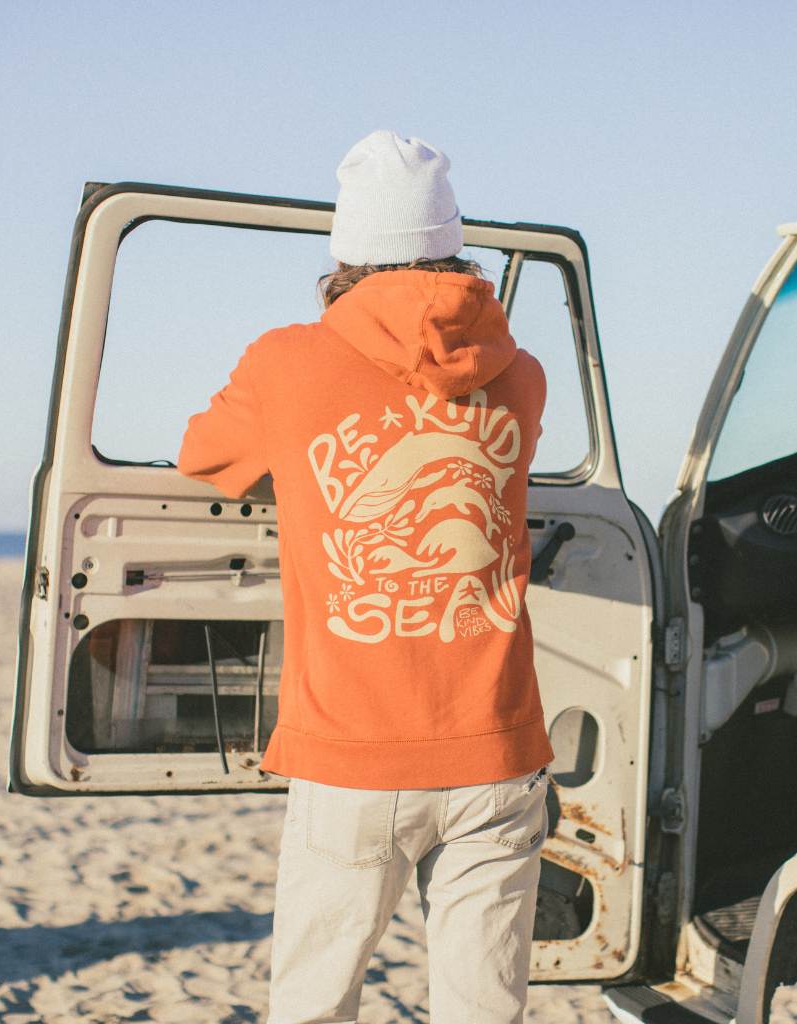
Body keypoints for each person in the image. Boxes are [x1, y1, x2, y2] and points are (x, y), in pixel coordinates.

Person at [177, 129, 555, 1024]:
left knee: (313, 1007)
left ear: (344, 251)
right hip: (496, 750)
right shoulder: (524, 377)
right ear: (454, 244)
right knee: (484, 1012)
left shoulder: (287, 363)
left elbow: (202, 455)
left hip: (352, 755)